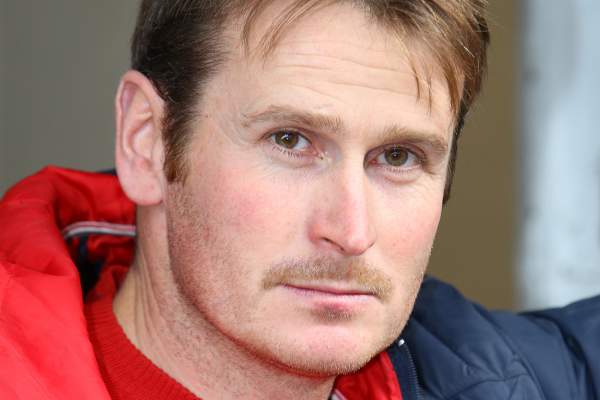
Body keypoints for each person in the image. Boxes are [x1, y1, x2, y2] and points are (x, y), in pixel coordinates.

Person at [0, 1, 598, 399]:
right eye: (289, 141)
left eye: (397, 156)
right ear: (146, 142)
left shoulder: (500, 376)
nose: (351, 231)